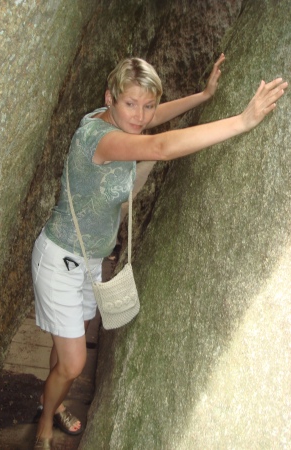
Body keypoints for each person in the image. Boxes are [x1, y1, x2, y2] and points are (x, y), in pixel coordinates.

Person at [31, 54, 287, 449]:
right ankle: (46, 420)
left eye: (146, 104)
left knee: (68, 348)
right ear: (110, 98)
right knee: (75, 362)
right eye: (131, 104)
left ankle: (56, 397)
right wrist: (242, 120)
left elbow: (152, 118)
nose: (140, 114)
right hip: (59, 258)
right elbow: (162, 146)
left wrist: (202, 96)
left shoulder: (121, 118)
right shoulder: (100, 138)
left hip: (89, 261)